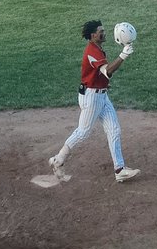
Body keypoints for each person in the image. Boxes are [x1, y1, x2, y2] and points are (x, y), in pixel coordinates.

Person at [49, 20, 140, 183]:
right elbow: (107, 72)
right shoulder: (92, 51)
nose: (104, 33)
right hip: (91, 97)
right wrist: (123, 55)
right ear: (93, 35)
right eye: (101, 31)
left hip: (101, 95)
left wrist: (103, 83)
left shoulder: (98, 49)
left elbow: (100, 74)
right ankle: (58, 159)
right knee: (83, 132)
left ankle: (119, 170)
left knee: (114, 130)